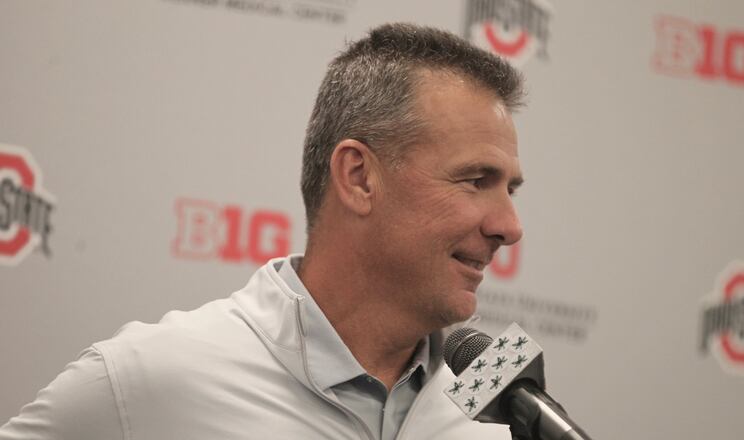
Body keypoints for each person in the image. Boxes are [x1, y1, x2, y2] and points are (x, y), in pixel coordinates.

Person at [0, 23, 525, 440]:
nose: (509, 226)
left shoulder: (498, 394)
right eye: (476, 180)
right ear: (359, 177)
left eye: (511, 190)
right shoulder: (153, 376)